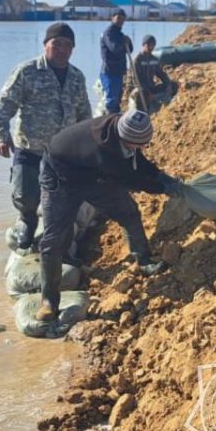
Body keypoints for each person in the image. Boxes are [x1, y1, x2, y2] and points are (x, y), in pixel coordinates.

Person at [36, 110, 179, 328]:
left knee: (129, 213)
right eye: (137, 144)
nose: (140, 148)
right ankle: (49, 301)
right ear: (124, 138)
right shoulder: (103, 152)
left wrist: (161, 175)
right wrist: (161, 187)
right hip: (60, 177)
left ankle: (143, 260)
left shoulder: (121, 129)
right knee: (54, 240)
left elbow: (137, 160)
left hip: (93, 175)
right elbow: (130, 179)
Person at [0, 23, 91, 250]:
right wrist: (2, 136)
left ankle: (59, 243)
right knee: (26, 196)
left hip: (62, 152)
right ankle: (28, 220)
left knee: (61, 201)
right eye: (56, 44)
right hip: (30, 147)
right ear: (45, 45)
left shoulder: (77, 77)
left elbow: (84, 113)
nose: (62, 49)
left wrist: (87, 148)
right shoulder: (27, 71)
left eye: (67, 45)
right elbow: (4, 105)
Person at [131, 34, 178, 114]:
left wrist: (168, 84)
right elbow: (136, 80)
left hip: (152, 87)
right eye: (149, 45)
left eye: (153, 45)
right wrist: (147, 92)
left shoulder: (154, 59)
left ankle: (164, 105)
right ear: (143, 45)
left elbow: (161, 74)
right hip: (142, 89)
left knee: (173, 85)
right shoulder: (138, 60)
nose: (151, 47)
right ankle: (145, 111)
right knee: (140, 94)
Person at [99, 9, 133, 114]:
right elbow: (114, 48)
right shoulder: (109, 33)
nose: (120, 21)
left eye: (122, 19)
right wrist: (123, 41)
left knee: (117, 100)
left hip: (119, 72)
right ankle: (107, 122)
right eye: (118, 18)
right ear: (112, 18)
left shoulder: (120, 34)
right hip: (109, 72)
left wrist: (128, 41)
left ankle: (115, 121)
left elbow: (129, 50)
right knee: (111, 101)